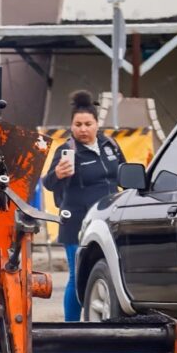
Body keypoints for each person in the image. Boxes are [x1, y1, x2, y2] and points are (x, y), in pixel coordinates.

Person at [43, 90, 126, 322]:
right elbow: (47, 183)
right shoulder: (67, 151)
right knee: (77, 276)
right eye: (77, 124)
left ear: (97, 124)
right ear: (71, 126)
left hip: (109, 221)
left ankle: (105, 321)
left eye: (88, 123)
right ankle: (71, 327)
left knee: (109, 273)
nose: (83, 129)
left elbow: (124, 174)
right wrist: (58, 174)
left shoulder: (110, 146)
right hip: (77, 222)